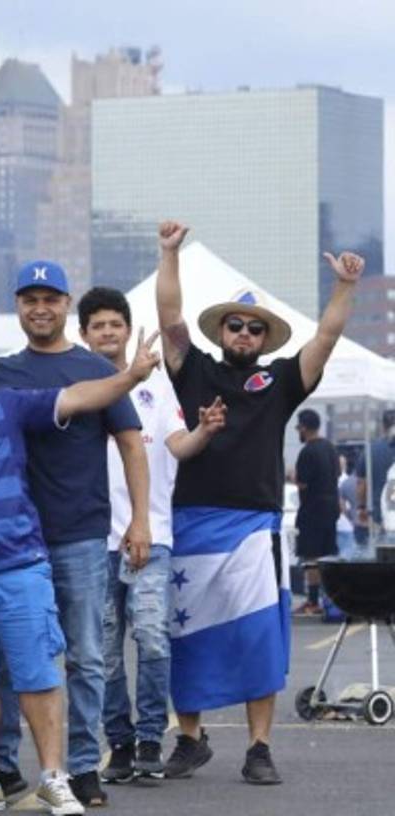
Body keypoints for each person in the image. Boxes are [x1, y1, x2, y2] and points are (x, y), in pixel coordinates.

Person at [0, 323, 162, 816]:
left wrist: (129, 376)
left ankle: (55, 777)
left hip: (19, 564)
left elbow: (80, 396)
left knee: (38, 674)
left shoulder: (3, 403)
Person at [155, 221, 362, 784]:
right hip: (192, 522)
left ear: (262, 338)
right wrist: (168, 253)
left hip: (252, 527)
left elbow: (323, 340)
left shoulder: (278, 381)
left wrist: (343, 288)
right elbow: (170, 319)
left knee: (258, 638)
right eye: (235, 325)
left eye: (252, 328)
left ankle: (259, 748)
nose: (243, 333)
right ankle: (190, 740)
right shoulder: (192, 369)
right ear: (221, 329)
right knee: (187, 636)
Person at [0, 262, 150, 807]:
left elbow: (131, 444)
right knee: (9, 655)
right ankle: (4, 765)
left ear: (66, 304)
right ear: (19, 307)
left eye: (50, 298)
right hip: (14, 540)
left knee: (87, 656)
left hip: (81, 533)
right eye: (30, 299)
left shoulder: (94, 367)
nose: (41, 308)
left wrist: (140, 519)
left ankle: (81, 767)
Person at [77, 287, 226, 784]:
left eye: (114, 324)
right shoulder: (76, 390)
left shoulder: (154, 385)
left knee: (151, 639)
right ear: (84, 335)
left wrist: (204, 432)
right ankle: (118, 742)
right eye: (97, 326)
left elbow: (178, 446)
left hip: (151, 535)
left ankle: (148, 738)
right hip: (92, 542)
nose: (107, 332)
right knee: (102, 649)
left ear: (126, 329)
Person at [293, 409, 340, 615]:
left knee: (311, 556)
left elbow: (302, 484)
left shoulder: (307, 452)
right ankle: (330, 600)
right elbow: (336, 475)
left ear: (303, 427)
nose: (298, 432)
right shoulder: (330, 448)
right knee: (328, 555)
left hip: (312, 511)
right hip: (331, 509)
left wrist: (296, 478)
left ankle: (313, 601)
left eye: (298, 428)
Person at [354, 409, 395, 545]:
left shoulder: (371, 450)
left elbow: (361, 483)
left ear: (383, 425)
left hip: (377, 519)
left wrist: (361, 507)